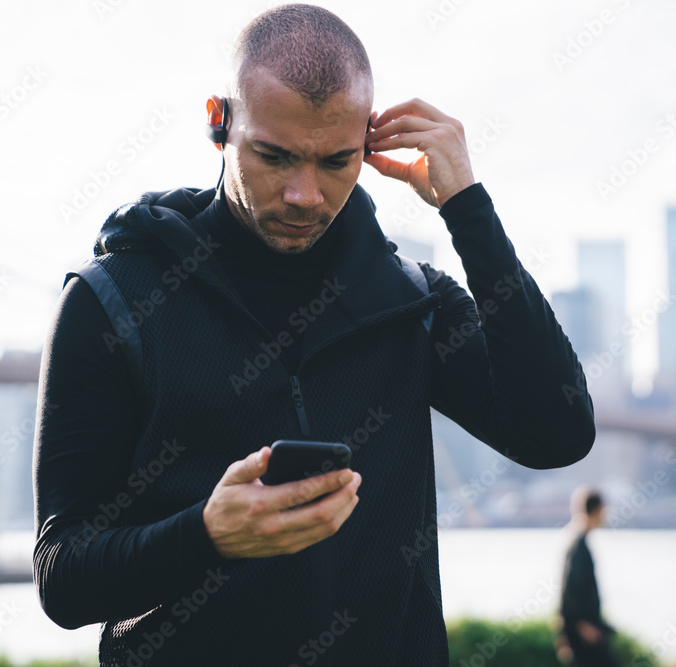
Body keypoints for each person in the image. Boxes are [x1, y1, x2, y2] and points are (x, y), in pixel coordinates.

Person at [32, 4, 596, 665]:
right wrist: (206, 535)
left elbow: (557, 434)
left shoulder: (411, 302)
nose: (305, 195)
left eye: (335, 161)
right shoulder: (112, 301)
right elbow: (62, 575)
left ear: (371, 144)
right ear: (220, 121)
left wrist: (467, 208)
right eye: (274, 156)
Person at [557, 486, 620, 666]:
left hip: (585, 629)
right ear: (597, 510)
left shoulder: (578, 541)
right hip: (584, 632)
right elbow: (572, 589)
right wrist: (582, 624)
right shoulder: (579, 546)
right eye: (604, 510)